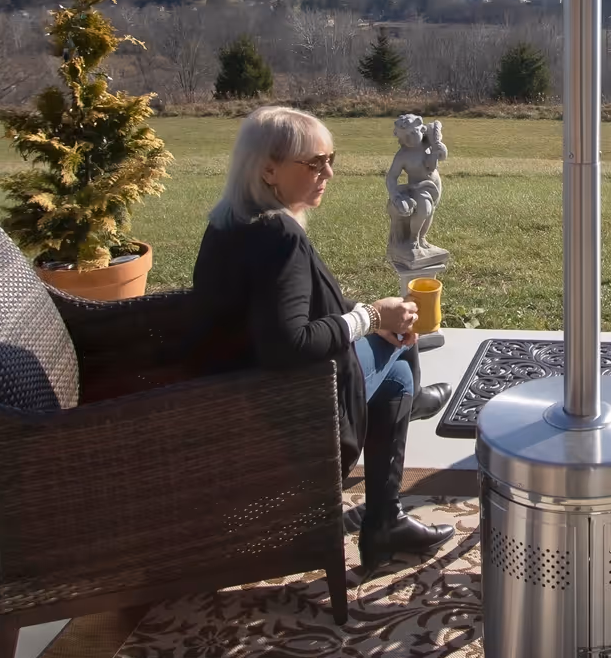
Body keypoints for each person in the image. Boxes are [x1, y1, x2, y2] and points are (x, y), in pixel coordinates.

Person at [187, 105, 453, 574]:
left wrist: (365, 317)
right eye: (314, 163)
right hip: (286, 408)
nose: (328, 173)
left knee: (393, 360)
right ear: (268, 169)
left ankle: (386, 513)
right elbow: (288, 343)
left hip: (236, 392)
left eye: (331, 159)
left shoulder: (228, 221)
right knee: (399, 355)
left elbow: (292, 305)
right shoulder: (279, 237)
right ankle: (385, 517)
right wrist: (372, 316)